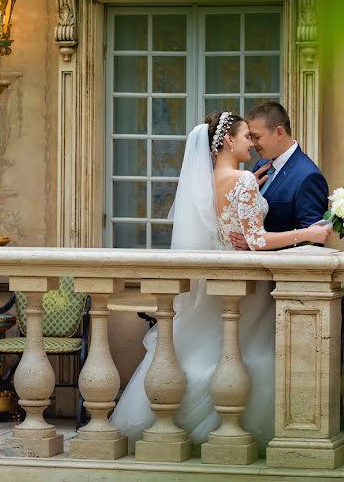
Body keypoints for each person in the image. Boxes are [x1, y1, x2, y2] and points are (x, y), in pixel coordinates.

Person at [109, 111, 331, 453]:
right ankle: (234, 429)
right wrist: (310, 232)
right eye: (246, 137)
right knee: (246, 356)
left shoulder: (211, 179)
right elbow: (255, 240)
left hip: (218, 283)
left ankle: (171, 422)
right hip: (247, 288)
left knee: (208, 352)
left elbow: (226, 223)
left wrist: (252, 190)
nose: (251, 144)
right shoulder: (241, 179)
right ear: (229, 140)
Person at [228, 101, 330, 251]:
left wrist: (254, 243)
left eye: (256, 137)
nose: (252, 143)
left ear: (279, 132)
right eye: (250, 137)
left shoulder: (308, 176)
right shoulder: (261, 164)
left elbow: (313, 242)